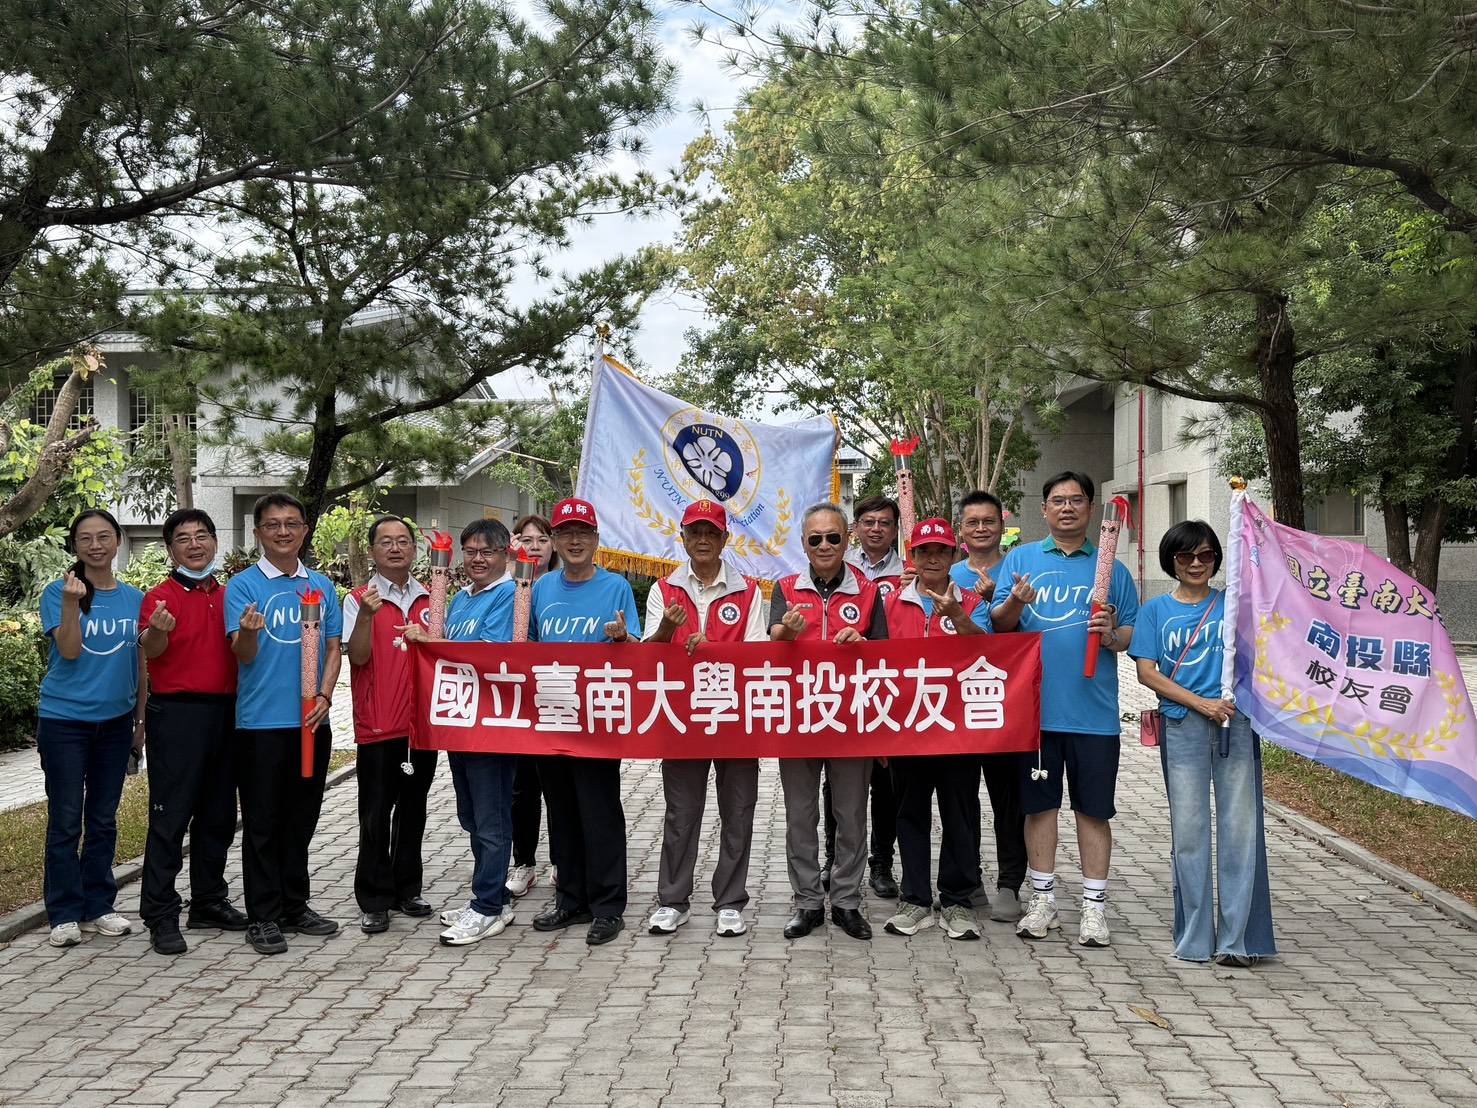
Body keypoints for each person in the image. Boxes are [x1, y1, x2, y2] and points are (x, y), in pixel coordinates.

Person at [990, 471, 1138, 948]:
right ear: (1045, 509)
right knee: (1040, 809)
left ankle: (1094, 908)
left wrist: (1111, 634)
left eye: (1076, 500)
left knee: (1093, 812)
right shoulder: (1022, 559)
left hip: (1094, 715)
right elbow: (999, 625)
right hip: (1035, 713)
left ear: (1091, 509)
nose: (1067, 508)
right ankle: (1043, 900)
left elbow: (1129, 634)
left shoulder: (1112, 569)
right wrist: (1016, 602)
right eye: (1058, 501)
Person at [1131, 521, 1275, 967]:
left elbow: (1263, 656)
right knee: (1190, 833)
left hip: (1237, 725)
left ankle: (1237, 940)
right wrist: (1201, 704)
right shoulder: (1155, 611)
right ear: (1171, 561)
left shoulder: (1236, 605)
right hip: (1183, 726)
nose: (1197, 564)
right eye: (1186, 556)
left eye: (1206, 555)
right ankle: (1194, 937)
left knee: (1240, 830)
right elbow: (1147, 672)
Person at [225, 493, 343, 955]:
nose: (283, 531)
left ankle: (295, 905)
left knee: (301, 819)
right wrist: (248, 632)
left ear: (304, 530)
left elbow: (332, 648)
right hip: (261, 724)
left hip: (311, 722)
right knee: (262, 822)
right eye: (273, 524)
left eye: (292, 523)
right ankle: (263, 916)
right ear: (258, 532)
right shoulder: (243, 587)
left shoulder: (321, 586)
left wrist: (326, 696)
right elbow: (242, 654)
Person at [643, 499, 766, 939]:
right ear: (682, 538)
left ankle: (730, 901)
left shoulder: (748, 591)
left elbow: (756, 654)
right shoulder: (664, 589)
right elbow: (648, 655)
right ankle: (672, 901)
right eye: (694, 532)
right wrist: (666, 629)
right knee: (681, 813)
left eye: (711, 532)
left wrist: (711, 648)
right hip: (681, 720)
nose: (702, 539)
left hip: (734, 719)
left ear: (724, 539)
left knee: (738, 812)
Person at [771, 502, 888, 941]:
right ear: (803, 544)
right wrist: (786, 631)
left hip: (852, 721)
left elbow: (887, 656)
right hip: (798, 721)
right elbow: (770, 645)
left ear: (847, 540)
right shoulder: (785, 588)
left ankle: (846, 902)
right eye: (815, 538)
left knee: (851, 816)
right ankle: (806, 902)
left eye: (833, 537)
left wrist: (864, 643)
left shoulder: (869, 591)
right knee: (800, 817)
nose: (824, 545)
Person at [529, 498, 642, 947]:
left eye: (583, 533)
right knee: (561, 812)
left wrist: (622, 638)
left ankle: (608, 906)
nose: (574, 541)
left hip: (597, 721)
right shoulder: (539, 588)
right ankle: (571, 899)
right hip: (551, 719)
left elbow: (635, 649)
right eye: (566, 533)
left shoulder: (615, 587)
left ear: (596, 539)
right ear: (555, 540)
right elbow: (525, 647)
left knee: (600, 813)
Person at [137, 508, 247, 955]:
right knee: (171, 816)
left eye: (202, 535)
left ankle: (208, 901)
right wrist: (158, 631)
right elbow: (151, 649)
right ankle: (160, 913)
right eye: (183, 538)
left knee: (218, 815)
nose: (194, 544)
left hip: (227, 713)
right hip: (177, 715)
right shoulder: (159, 598)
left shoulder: (231, 595)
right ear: (170, 549)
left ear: (215, 542)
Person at [407, 518, 521, 946]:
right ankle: (494, 899)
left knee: (491, 819)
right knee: (472, 816)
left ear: (504, 554)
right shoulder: (459, 599)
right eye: (470, 551)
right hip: (459, 723)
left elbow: (487, 654)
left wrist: (430, 644)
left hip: (492, 726)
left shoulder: (511, 594)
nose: (477, 559)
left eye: (486, 552)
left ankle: (486, 907)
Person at [37, 510, 145, 949]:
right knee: (66, 819)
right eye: (86, 538)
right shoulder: (58, 592)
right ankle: (64, 912)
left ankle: (99, 905)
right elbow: (69, 650)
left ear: (117, 540)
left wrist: (140, 721)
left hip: (115, 723)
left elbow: (141, 663)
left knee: (103, 818)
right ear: (75, 546)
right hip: (64, 722)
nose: (96, 545)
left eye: (104, 536)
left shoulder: (135, 598)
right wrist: (70, 604)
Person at [881, 519, 988, 941]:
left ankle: (958, 901)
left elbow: (990, 651)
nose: (932, 558)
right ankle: (915, 899)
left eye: (941, 551)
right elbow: (875, 665)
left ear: (953, 556)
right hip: (906, 728)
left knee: (960, 814)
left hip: (958, 729)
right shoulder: (891, 602)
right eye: (924, 551)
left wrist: (958, 615)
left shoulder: (971, 601)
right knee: (910, 813)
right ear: (913, 556)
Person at [344, 516, 436, 935]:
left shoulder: (431, 598)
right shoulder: (357, 599)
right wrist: (366, 616)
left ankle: (406, 889)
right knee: (376, 814)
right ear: (372, 551)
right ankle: (374, 898)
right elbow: (358, 657)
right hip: (379, 725)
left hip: (421, 727)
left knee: (413, 810)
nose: (395, 548)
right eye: (386, 542)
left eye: (403, 541)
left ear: (414, 550)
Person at [951, 490, 1027, 923]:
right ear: (961, 529)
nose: (981, 528)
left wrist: (1002, 596)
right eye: (973, 522)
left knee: (1007, 798)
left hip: (1005, 703)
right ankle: (969, 880)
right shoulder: (947, 573)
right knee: (961, 798)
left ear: (1002, 525)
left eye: (989, 521)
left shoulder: (1020, 569)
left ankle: (1010, 884)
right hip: (957, 705)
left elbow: (1030, 628)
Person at [834, 493, 903, 901]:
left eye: (885, 523)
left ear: (895, 530)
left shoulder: (908, 572)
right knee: (837, 782)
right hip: (841, 692)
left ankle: (881, 862)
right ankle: (833, 860)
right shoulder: (839, 566)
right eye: (869, 522)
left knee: (885, 782)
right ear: (856, 528)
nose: (876, 529)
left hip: (889, 689)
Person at [507, 513, 557, 899]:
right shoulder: (505, 588)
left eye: (542, 539)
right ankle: (523, 862)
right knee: (522, 788)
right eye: (527, 540)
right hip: (518, 705)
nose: (535, 547)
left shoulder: (561, 586)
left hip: (558, 700)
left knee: (557, 787)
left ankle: (562, 860)